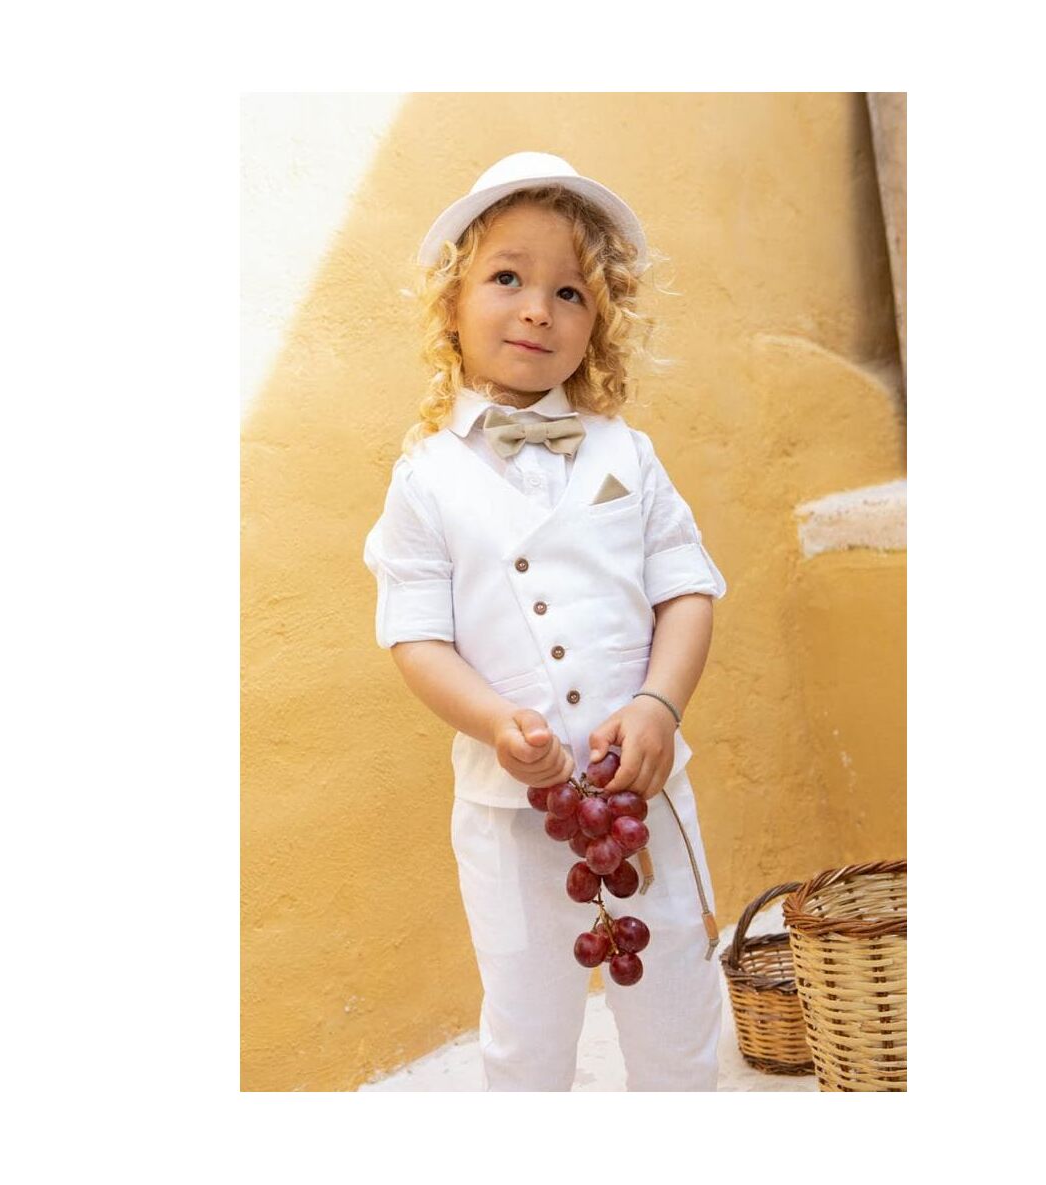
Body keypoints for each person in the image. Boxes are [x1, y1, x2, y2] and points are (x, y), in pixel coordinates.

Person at [363, 152, 727, 1091]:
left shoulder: (626, 455)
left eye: (569, 291)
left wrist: (658, 705)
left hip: (644, 797)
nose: (537, 309)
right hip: (510, 815)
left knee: (681, 1015)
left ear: (597, 323)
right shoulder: (425, 479)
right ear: (451, 304)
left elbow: (686, 589)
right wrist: (494, 720)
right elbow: (416, 635)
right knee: (526, 1035)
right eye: (506, 278)